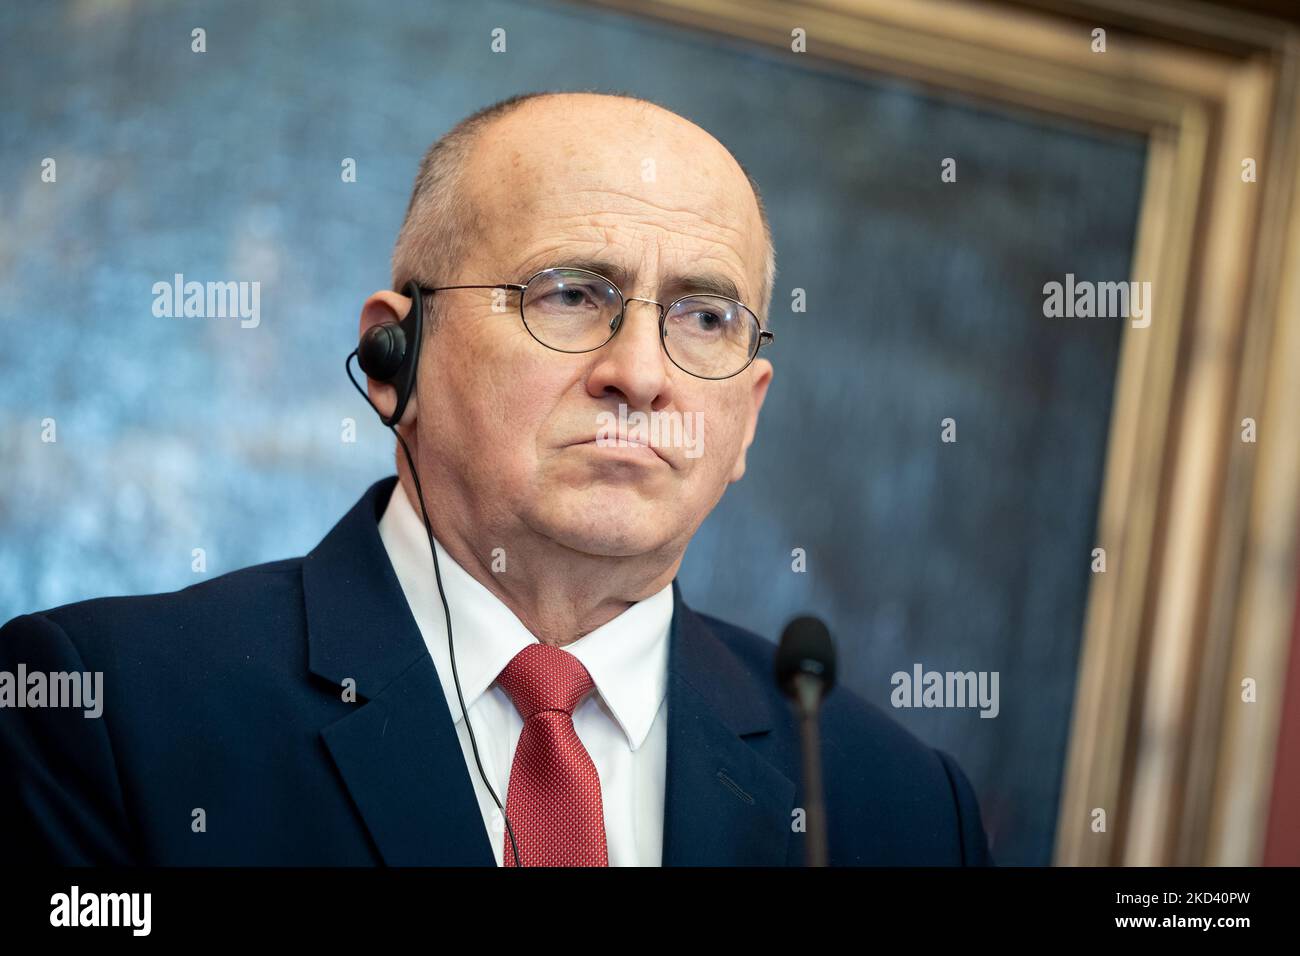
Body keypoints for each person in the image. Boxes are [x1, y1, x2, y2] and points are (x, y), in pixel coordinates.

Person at [0, 90, 992, 866]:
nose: (640, 375)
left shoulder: (893, 806)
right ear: (397, 357)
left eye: (702, 318)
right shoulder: (105, 714)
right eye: (570, 294)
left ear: (747, 419)